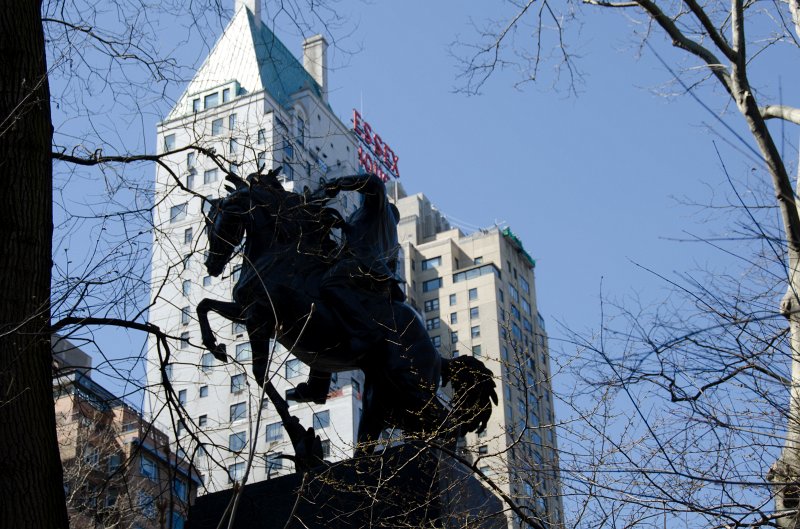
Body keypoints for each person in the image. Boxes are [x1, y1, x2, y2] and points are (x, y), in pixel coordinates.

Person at [286, 173, 404, 404]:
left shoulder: (380, 213)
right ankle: (318, 384)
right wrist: (340, 225)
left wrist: (337, 183)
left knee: (329, 284)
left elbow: (374, 183)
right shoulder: (369, 221)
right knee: (321, 306)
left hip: (367, 272)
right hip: (361, 268)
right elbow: (356, 240)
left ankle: (363, 332)